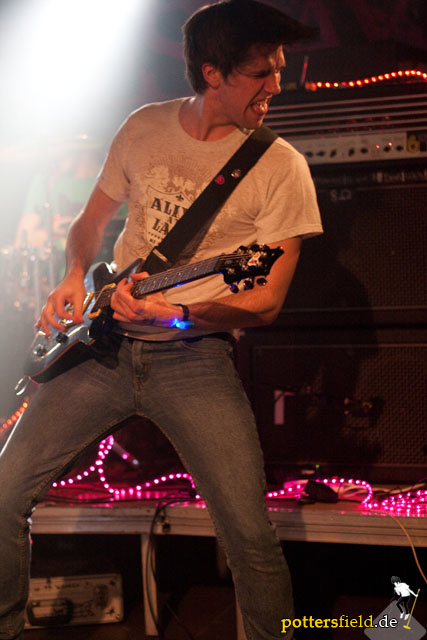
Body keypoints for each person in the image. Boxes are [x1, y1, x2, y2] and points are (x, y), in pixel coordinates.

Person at [0, 2, 322, 638]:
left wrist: (180, 311)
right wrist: (73, 274)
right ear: (212, 73)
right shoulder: (144, 127)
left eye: (280, 69)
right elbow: (90, 221)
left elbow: (266, 301)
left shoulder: (280, 166)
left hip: (194, 358)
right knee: (4, 494)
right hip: (102, 350)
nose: (276, 85)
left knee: (249, 535)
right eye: (261, 72)